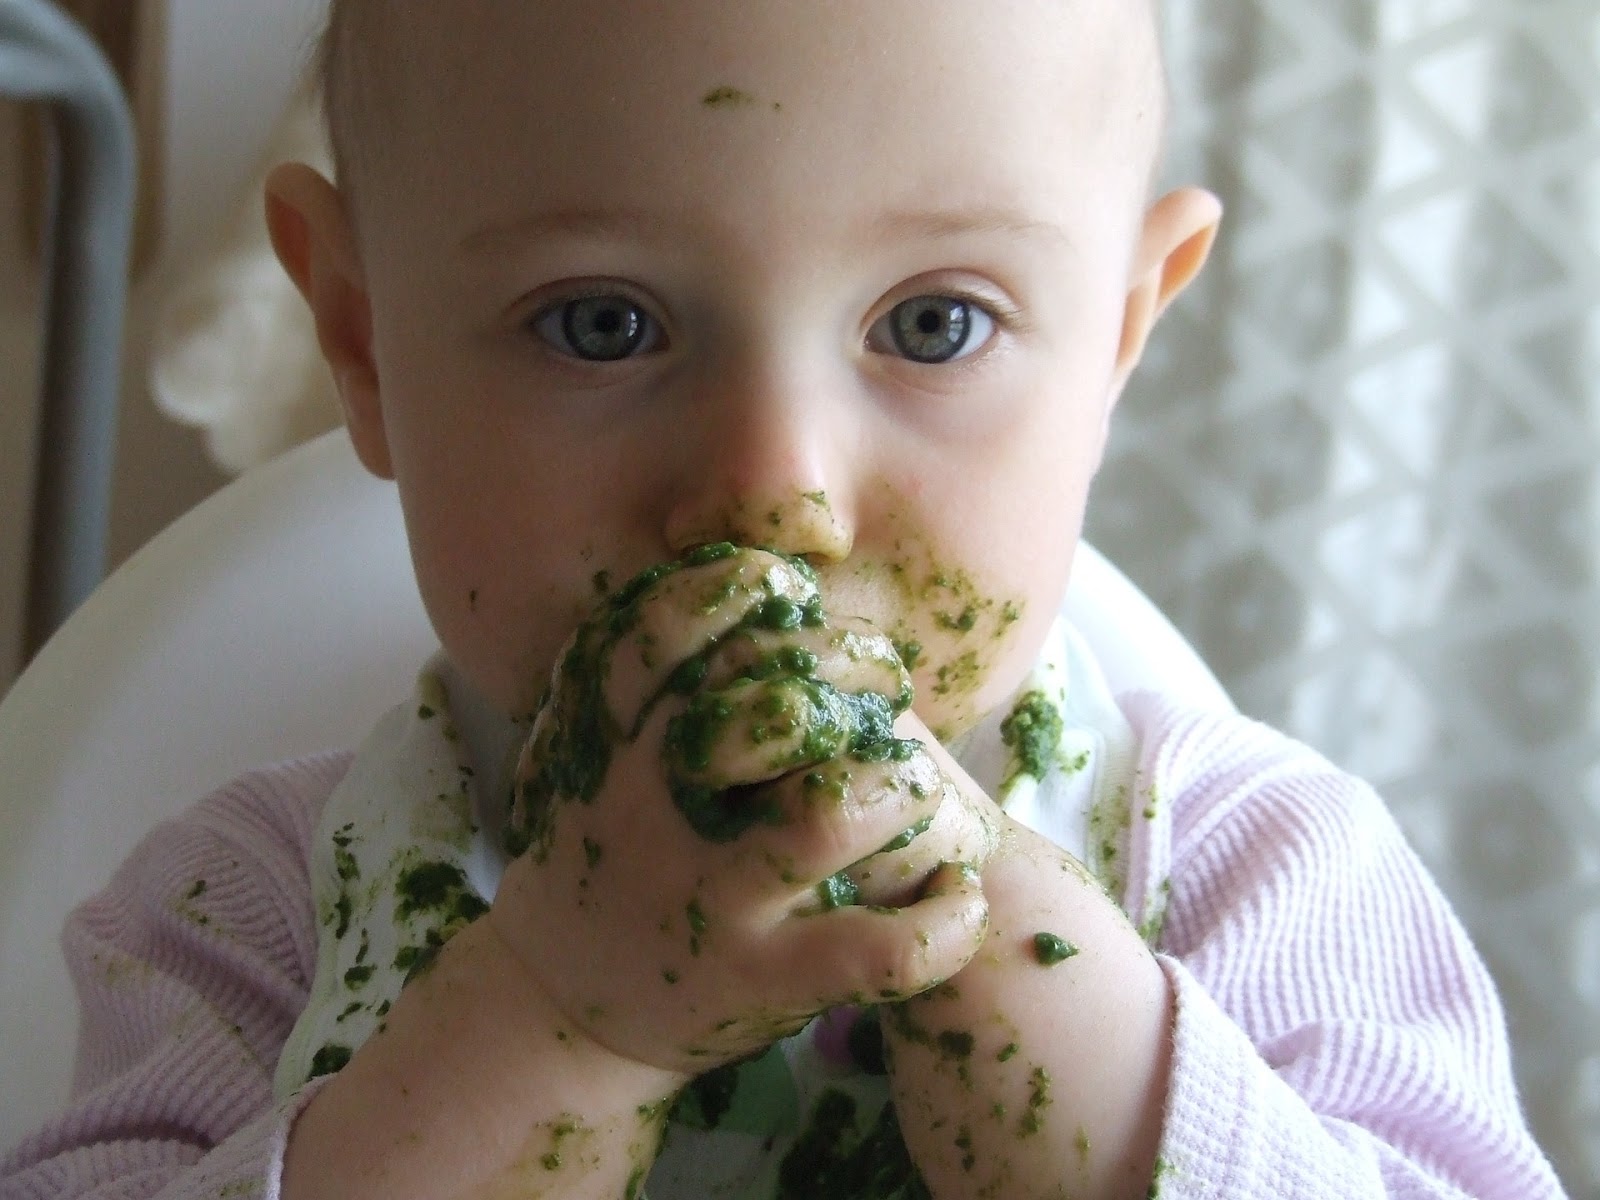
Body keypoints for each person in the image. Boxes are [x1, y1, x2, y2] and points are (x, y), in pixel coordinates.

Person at [0, 2, 1569, 1198]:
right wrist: (551, 1020)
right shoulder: (235, 924)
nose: (774, 490)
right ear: (359, 338)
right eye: (604, 323)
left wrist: (1049, 1016)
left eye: (938, 321)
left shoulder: (1260, 879)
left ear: (1114, 346)